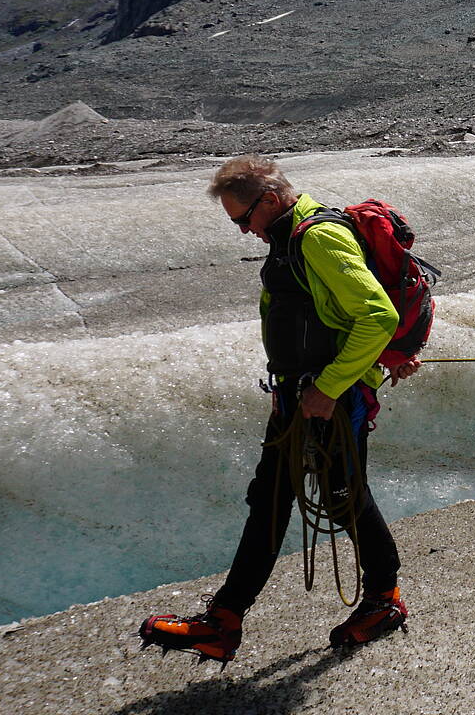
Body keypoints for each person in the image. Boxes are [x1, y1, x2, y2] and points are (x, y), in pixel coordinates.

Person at [139, 156, 417, 663]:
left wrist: (329, 388)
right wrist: (290, 382)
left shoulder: (316, 238)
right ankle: (223, 620)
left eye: (244, 219)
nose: (245, 231)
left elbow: (378, 314)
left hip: (332, 397)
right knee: (269, 498)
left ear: (269, 200)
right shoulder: (290, 238)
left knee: (343, 498)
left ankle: (384, 597)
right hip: (300, 394)